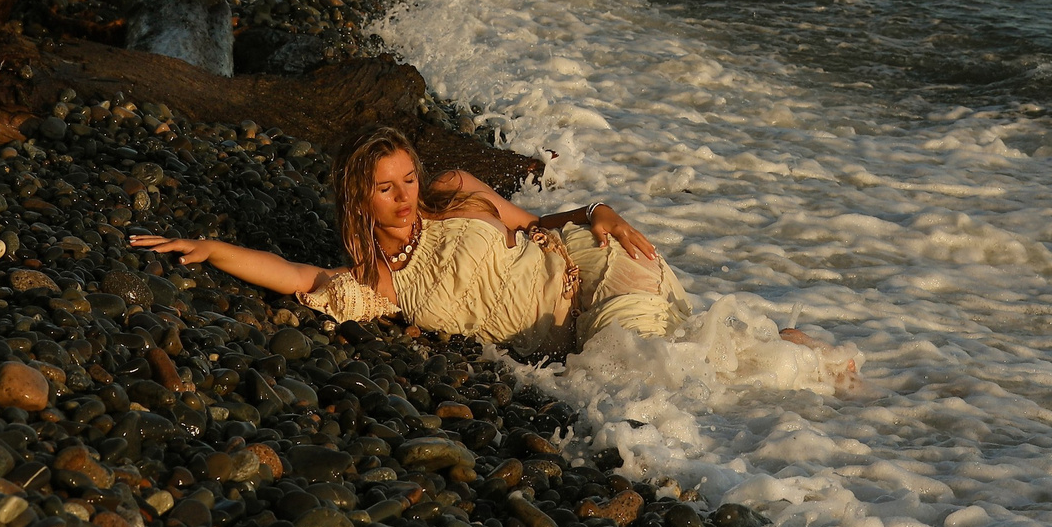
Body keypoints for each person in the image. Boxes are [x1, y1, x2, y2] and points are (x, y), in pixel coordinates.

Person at [129, 124, 694, 358]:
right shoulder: (380, 282)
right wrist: (209, 250)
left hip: (595, 264)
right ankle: (779, 352)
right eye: (385, 188)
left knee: (652, 378)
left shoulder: (452, 190)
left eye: (408, 179)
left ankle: (777, 361)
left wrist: (599, 209)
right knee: (668, 372)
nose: (403, 196)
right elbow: (297, 275)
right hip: (575, 332)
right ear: (359, 199)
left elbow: (536, 223)